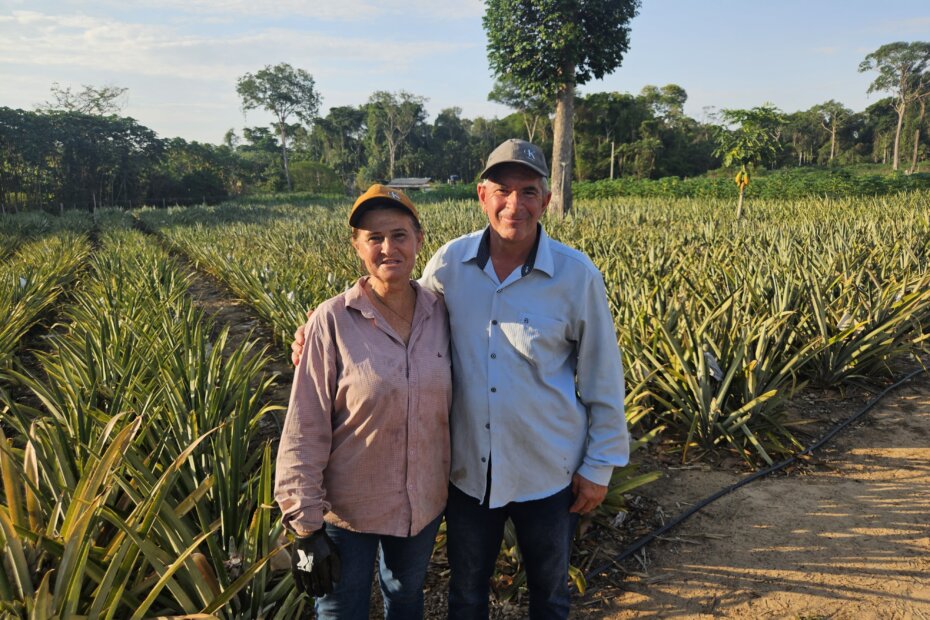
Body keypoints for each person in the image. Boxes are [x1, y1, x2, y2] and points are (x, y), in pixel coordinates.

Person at [291, 139, 629, 619]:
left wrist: (600, 465)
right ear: (481, 195)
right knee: (466, 593)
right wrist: (319, 329)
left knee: (550, 593)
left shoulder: (577, 277)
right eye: (502, 190)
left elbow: (603, 377)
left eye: (529, 191)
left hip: (547, 472)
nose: (515, 204)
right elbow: (398, 309)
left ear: (546, 200)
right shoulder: (448, 265)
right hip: (469, 476)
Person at [275, 184, 452, 619]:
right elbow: (305, 424)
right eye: (374, 238)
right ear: (357, 247)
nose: (388, 247)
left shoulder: (444, 313)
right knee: (340, 608)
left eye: (399, 235)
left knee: (406, 596)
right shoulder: (331, 320)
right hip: (346, 511)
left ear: (419, 240)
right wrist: (304, 528)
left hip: (422, 503)